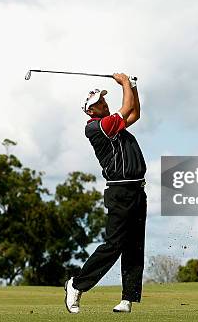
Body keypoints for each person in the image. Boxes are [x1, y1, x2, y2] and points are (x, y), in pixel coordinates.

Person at [64, 73, 147, 314]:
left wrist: (132, 87)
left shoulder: (115, 127)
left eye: (103, 100)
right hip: (119, 192)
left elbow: (135, 113)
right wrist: (124, 84)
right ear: (90, 110)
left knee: (134, 247)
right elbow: (126, 107)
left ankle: (127, 300)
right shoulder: (96, 127)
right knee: (114, 244)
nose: (104, 103)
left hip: (136, 190)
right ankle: (77, 285)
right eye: (99, 102)